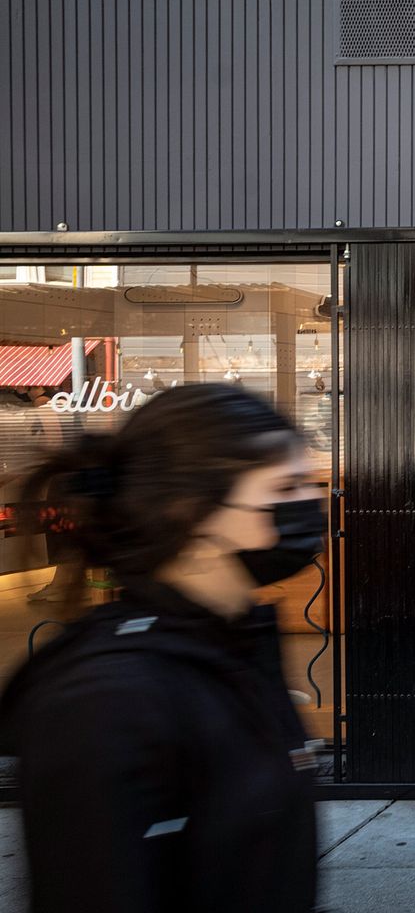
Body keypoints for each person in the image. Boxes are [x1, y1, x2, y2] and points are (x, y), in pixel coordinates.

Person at [0, 383, 325, 912]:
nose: (310, 503)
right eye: (285, 487)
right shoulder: (108, 701)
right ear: (193, 512)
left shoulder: (237, 648)